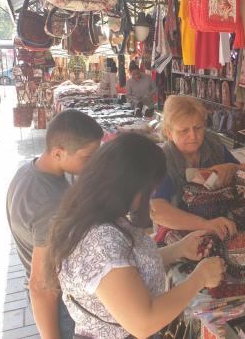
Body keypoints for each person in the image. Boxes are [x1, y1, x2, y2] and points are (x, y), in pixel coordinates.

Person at [45, 133, 225, 339]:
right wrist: (199, 278)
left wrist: (178, 250)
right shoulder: (99, 241)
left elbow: (126, 267)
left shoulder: (95, 215)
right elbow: (143, 322)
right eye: (150, 189)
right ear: (130, 186)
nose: (152, 194)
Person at [6, 110, 103, 339]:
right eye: (87, 157)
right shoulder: (50, 205)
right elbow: (41, 286)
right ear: (58, 153)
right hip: (59, 304)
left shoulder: (29, 171)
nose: (93, 163)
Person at [150, 95, 239, 240]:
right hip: (180, 233)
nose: (193, 136)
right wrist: (206, 225)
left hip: (221, 221)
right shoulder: (163, 160)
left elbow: (241, 171)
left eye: (198, 127)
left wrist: (232, 167)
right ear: (168, 133)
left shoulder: (213, 143)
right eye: (184, 131)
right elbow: (158, 211)